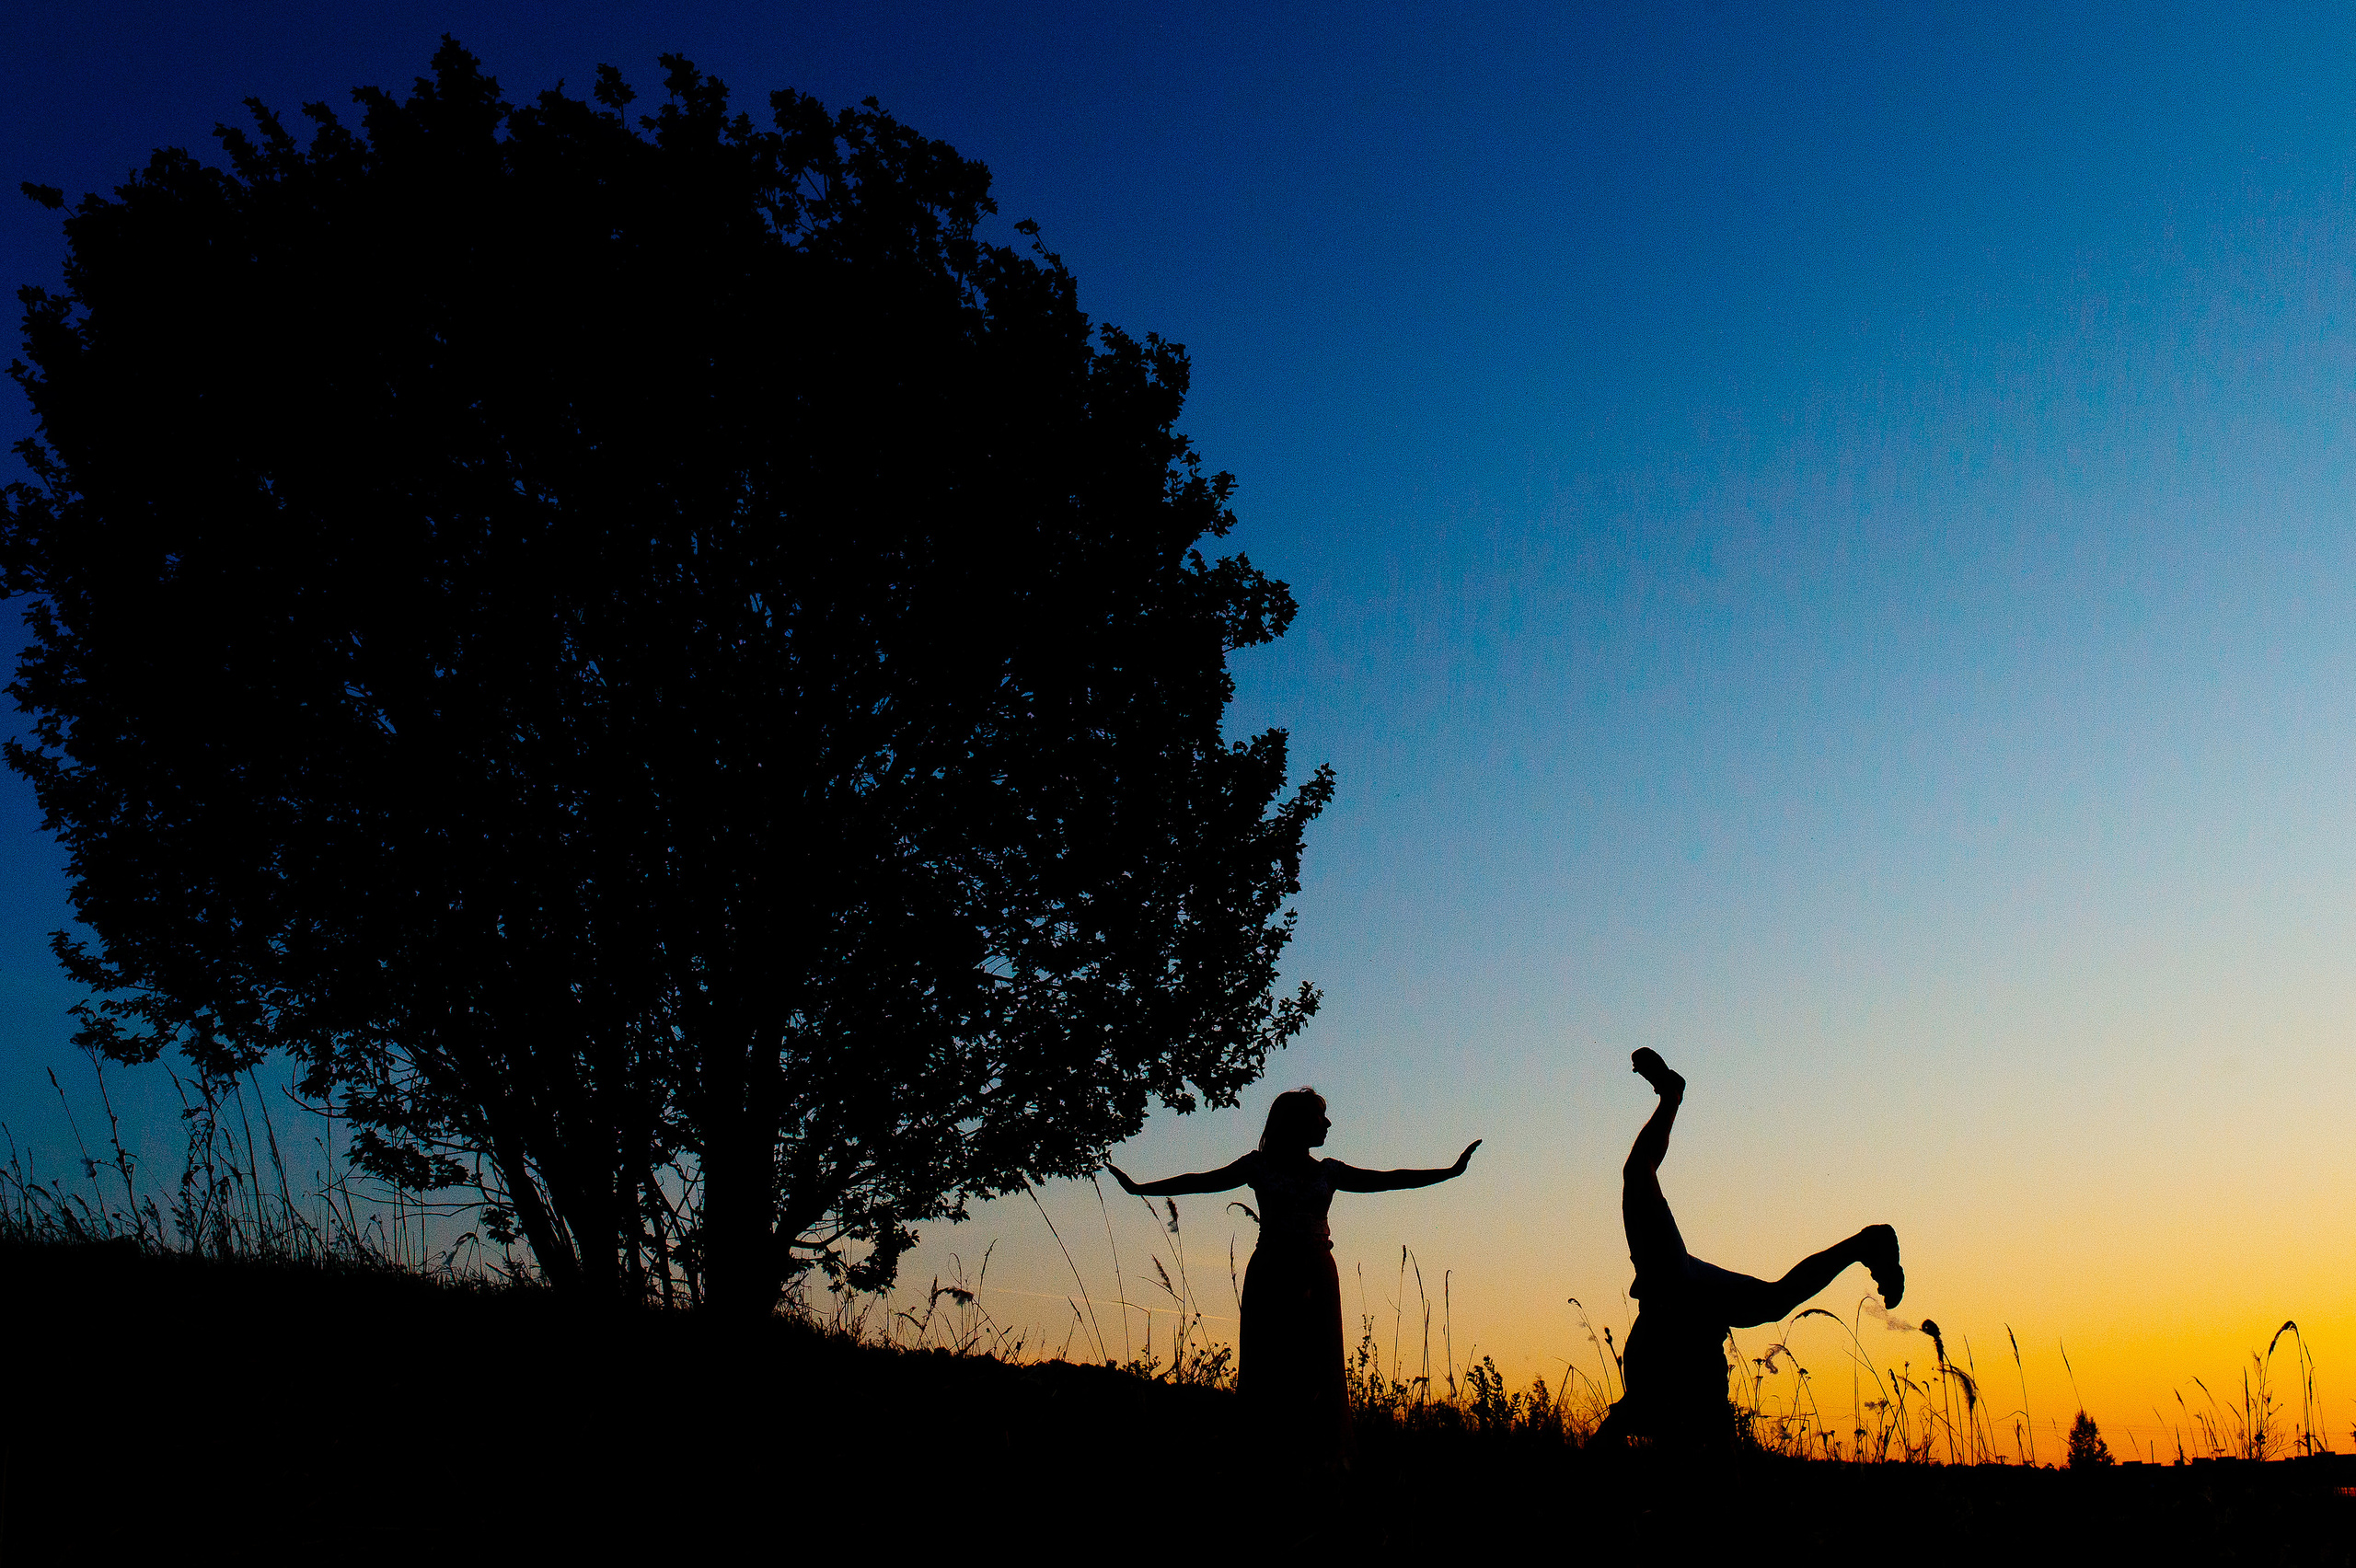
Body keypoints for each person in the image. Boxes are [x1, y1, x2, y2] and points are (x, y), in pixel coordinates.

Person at [1107, 1089, 1478, 1463]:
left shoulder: (1328, 1171)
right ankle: (1266, 1456)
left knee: (1320, 1364)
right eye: (1320, 1116)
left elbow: (1390, 1179)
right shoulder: (1258, 1166)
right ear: (1297, 1122)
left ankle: (1323, 1459)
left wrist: (1449, 1172)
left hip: (1318, 1275)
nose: (1328, 1123)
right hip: (1271, 1273)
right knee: (1269, 1362)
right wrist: (1140, 1189)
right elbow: (1200, 1181)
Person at [1592, 1048, 1904, 1448]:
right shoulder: (1687, 1415)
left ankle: (1671, 1095)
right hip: (1681, 1290)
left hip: (1672, 1286)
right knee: (1775, 1299)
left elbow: (1620, 1430)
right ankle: (1865, 1243)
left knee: (1639, 1174)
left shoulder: (1655, 1406)